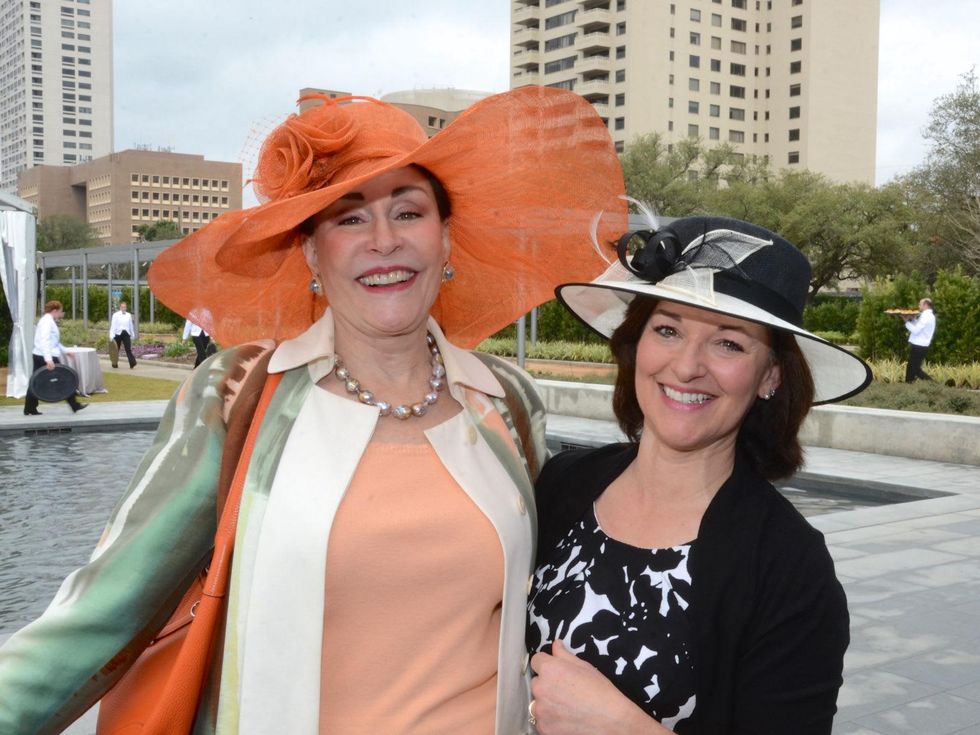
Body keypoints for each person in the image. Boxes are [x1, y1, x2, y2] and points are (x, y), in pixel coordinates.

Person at [0, 87, 626, 734]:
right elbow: (99, 616)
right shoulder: (235, 397)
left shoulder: (508, 404)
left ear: (445, 242)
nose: (383, 240)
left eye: (408, 212)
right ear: (309, 253)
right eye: (349, 218)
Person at [526, 215, 872, 734]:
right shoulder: (563, 484)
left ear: (770, 376)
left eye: (729, 343)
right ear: (635, 343)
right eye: (667, 329)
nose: (687, 366)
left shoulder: (789, 568)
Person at [23, 299, 88, 416]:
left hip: (41, 354)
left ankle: (30, 408)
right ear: (54, 310)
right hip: (45, 356)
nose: (61, 314)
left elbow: (55, 341)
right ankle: (74, 405)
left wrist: (66, 351)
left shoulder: (48, 321)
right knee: (64, 379)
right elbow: (45, 341)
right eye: (60, 312)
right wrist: (48, 359)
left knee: (36, 381)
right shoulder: (47, 322)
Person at [902, 297, 936, 383]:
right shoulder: (928, 315)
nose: (918, 306)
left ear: (925, 305)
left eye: (920, 304)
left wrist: (906, 321)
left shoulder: (926, 316)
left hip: (920, 346)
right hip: (921, 345)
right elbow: (919, 326)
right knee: (911, 367)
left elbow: (916, 330)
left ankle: (933, 384)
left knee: (915, 368)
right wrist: (913, 319)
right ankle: (909, 384)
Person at [108, 301, 138, 368]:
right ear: (120, 307)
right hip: (117, 334)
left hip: (126, 333)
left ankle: (132, 363)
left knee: (128, 349)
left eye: (124, 307)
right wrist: (111, 335)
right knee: (116, 350)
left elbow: (131, 325)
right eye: (122, 307)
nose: (123, 308)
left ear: (126, 308)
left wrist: (132, 334)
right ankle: (114, 363)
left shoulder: (128, 315)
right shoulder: (115, 315)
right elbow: (113, 326)